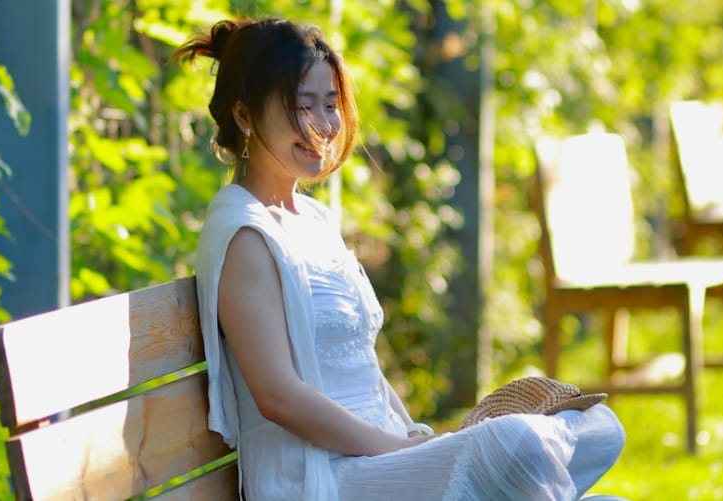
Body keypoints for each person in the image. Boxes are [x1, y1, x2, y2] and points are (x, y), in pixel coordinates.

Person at [174, 16, 625, 501]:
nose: (324, 125)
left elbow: (361, 366)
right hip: (323, 477)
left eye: (331, 105)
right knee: (516, 445)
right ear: (244, 116)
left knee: (601, 427)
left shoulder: (313, 218)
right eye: (303, 106)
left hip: (382, 454)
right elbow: (279, 396)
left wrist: (415, 435)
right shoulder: (244, 232)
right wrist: (394, 449)